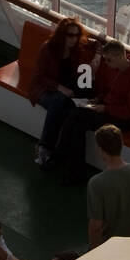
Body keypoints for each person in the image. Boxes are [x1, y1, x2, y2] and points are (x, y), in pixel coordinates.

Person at [51, 39, 130, 177]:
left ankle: (61, 158)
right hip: (108, 109)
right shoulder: (116, 69)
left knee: (76, 116)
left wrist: (105, 108)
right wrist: (98, 99)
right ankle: (73, 168)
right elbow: (108, 89)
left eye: (109, 60)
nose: (107, 64)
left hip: (125, 118)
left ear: (120, 56)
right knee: (78, 122)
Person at [29, 18, 98, 167]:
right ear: (61, 35)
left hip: (66, 90)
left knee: (70, 110)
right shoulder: (48, 49)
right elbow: (40, 77)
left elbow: (94, 44)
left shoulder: (76, 48)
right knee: (59, 102)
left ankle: (60, 152)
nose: (73, 39)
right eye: (70, 35)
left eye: (76, 35)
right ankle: (45, 146)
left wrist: (101, 45)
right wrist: (60, 88)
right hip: (43, 89)